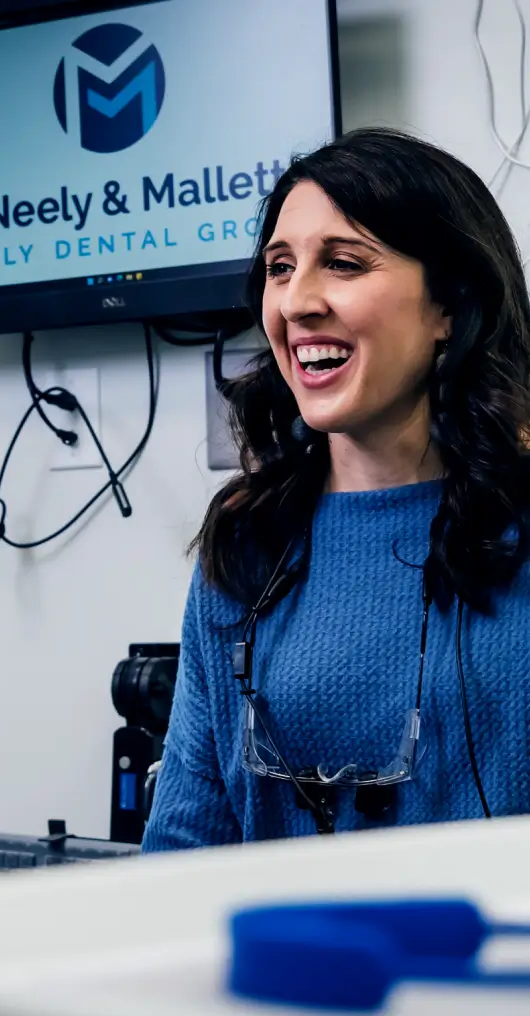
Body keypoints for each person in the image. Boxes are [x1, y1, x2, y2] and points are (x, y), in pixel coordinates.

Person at [143, 128, 530, 851]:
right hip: (292, 963)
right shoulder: (245, 542)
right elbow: (183, 847)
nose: (297, 302)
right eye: (280, 268)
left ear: (451, 305)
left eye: (344, 263)